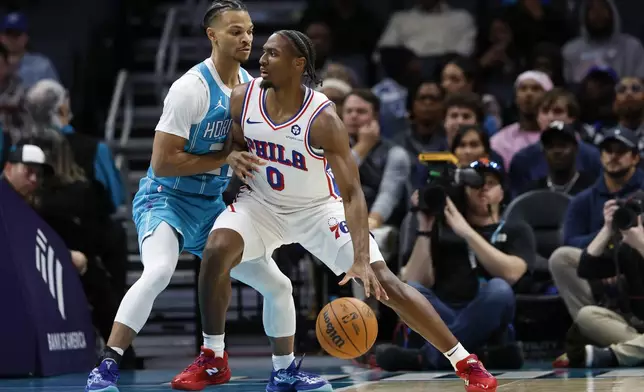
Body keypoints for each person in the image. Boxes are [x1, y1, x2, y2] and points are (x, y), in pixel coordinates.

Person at [175, 30, 498, 392]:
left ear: (298, 65)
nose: (262, 60)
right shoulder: (242, 99)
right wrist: (231, 155)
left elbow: (352, 193)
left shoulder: (323, 118)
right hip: (261, 204)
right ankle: (213, 357)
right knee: (216, 249)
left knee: (384, 282)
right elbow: (236, 141)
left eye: (272, 54)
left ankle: (465, 362)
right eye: (263, 53)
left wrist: (360, 257)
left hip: (318, 211)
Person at [84, 1, 257, 391]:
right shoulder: (189, 89)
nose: (246, 37)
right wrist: (223, 157)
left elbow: (243, 148)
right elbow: (162, 163)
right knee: (159, 270)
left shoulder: (250, 88)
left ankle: (281, 366)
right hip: (166, 197)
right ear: (212, 35)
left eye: (249, 30)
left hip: (212, 204)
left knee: (274, 281)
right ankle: (108, 364)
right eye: (235, 30)